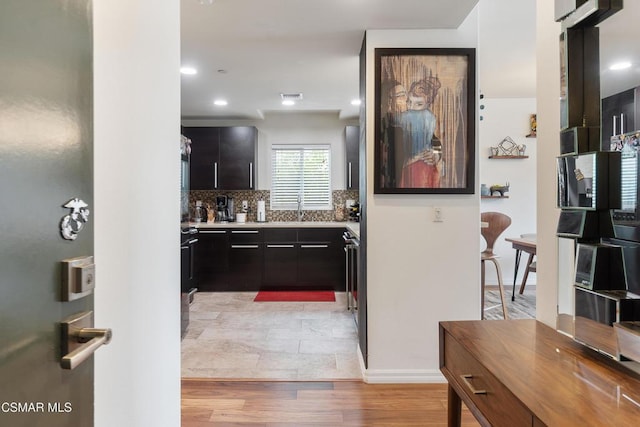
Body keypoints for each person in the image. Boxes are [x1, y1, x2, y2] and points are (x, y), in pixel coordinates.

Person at [398, 77, 443, 188]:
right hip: (408, 166)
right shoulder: (403, 117)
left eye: (419, 104)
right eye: (409, 102)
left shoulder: (427, 117)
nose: (411, 107)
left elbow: (434, 140)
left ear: (428, 104)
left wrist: (436, 154)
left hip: (422, 167)